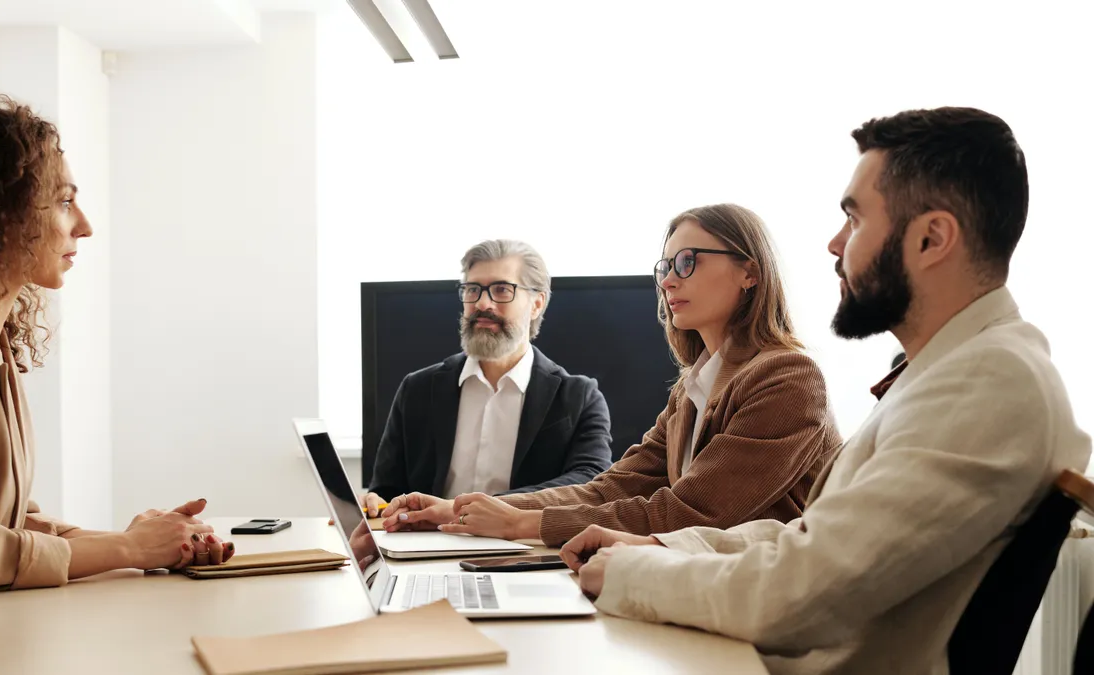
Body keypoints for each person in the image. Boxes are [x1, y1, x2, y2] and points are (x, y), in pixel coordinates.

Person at [559, 107, 1092, 674]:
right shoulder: (949, 371)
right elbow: (815, 537)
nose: (835, 244)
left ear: (932, 238)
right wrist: (664, 549)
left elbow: (802, 592)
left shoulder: (988, 383)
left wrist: (629, 574)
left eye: (855, 220)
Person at [0, 96, 233, 600]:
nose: (85, 225)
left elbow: (11, 524)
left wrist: (151, 540)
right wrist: (130, 549)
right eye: (64, 201)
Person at [381, 204, 841, 548]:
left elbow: (695, 513)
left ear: (750, 273)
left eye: (688, 262)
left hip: (775, 613)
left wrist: (522, 524)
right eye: (665, 267)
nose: (668, 281)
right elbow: (611, 487)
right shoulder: (692, 387)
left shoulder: (787, 377)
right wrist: (460, 511)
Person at [362, 240, 613, 515]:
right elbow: (386, 490)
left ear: (537, 304)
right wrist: (375, 501)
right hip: (425, 546)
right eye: (472, 289)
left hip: (522, 548)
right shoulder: (417, 389)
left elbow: (590, 483)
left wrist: (464, 509)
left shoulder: (580, 397)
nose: (482, 303)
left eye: (502, 289)